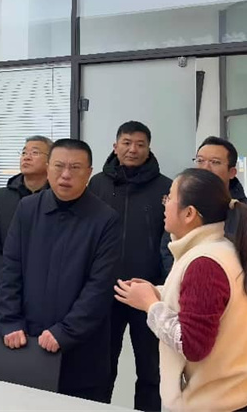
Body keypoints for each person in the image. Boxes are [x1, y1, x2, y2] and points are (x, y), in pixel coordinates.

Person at [115, 168, 247, 412]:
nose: (164, 204)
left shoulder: (205, 262)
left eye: (169, 197)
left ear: (189, 213)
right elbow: (198, 304)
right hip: (227, 399)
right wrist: (158, 293)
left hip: (212, 404)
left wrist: (151, 306)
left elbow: (191, 345)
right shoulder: (214, 249)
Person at [0, 138, 120, 402]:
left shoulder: (105, 219)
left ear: (89, 172)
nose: (65, 175)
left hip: (81, 349)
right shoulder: (28, 209)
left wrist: (66, 331)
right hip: (26, 340)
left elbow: (99, 287)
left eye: (75, 168)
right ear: (48, 167)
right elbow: (10, 269)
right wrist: (10, 320)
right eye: (59, 166)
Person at [87, 121, 171, 411]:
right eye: (126, 143)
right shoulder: (97, 184)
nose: (133, 149)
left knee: (151, 370)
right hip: (105, 291)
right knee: (100, 367)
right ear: (115, 146)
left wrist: (164, 285)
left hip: (148, 292)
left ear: (148, 149)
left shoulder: (166, 187)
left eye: (140, 144)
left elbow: (170, 240)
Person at [0, 135, 52, 329]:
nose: (26, 157)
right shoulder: (1, 198)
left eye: (35, 152)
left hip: (50, 299)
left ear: (50, 161)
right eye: (24, 152)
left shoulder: (58, 198)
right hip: (7, 297)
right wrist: (7, 280)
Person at [194, 136, 247, 269]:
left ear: (232, 172)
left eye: (215, 162)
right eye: (200, 160)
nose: (205, 168)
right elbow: (168, 249)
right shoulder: (184, 204)